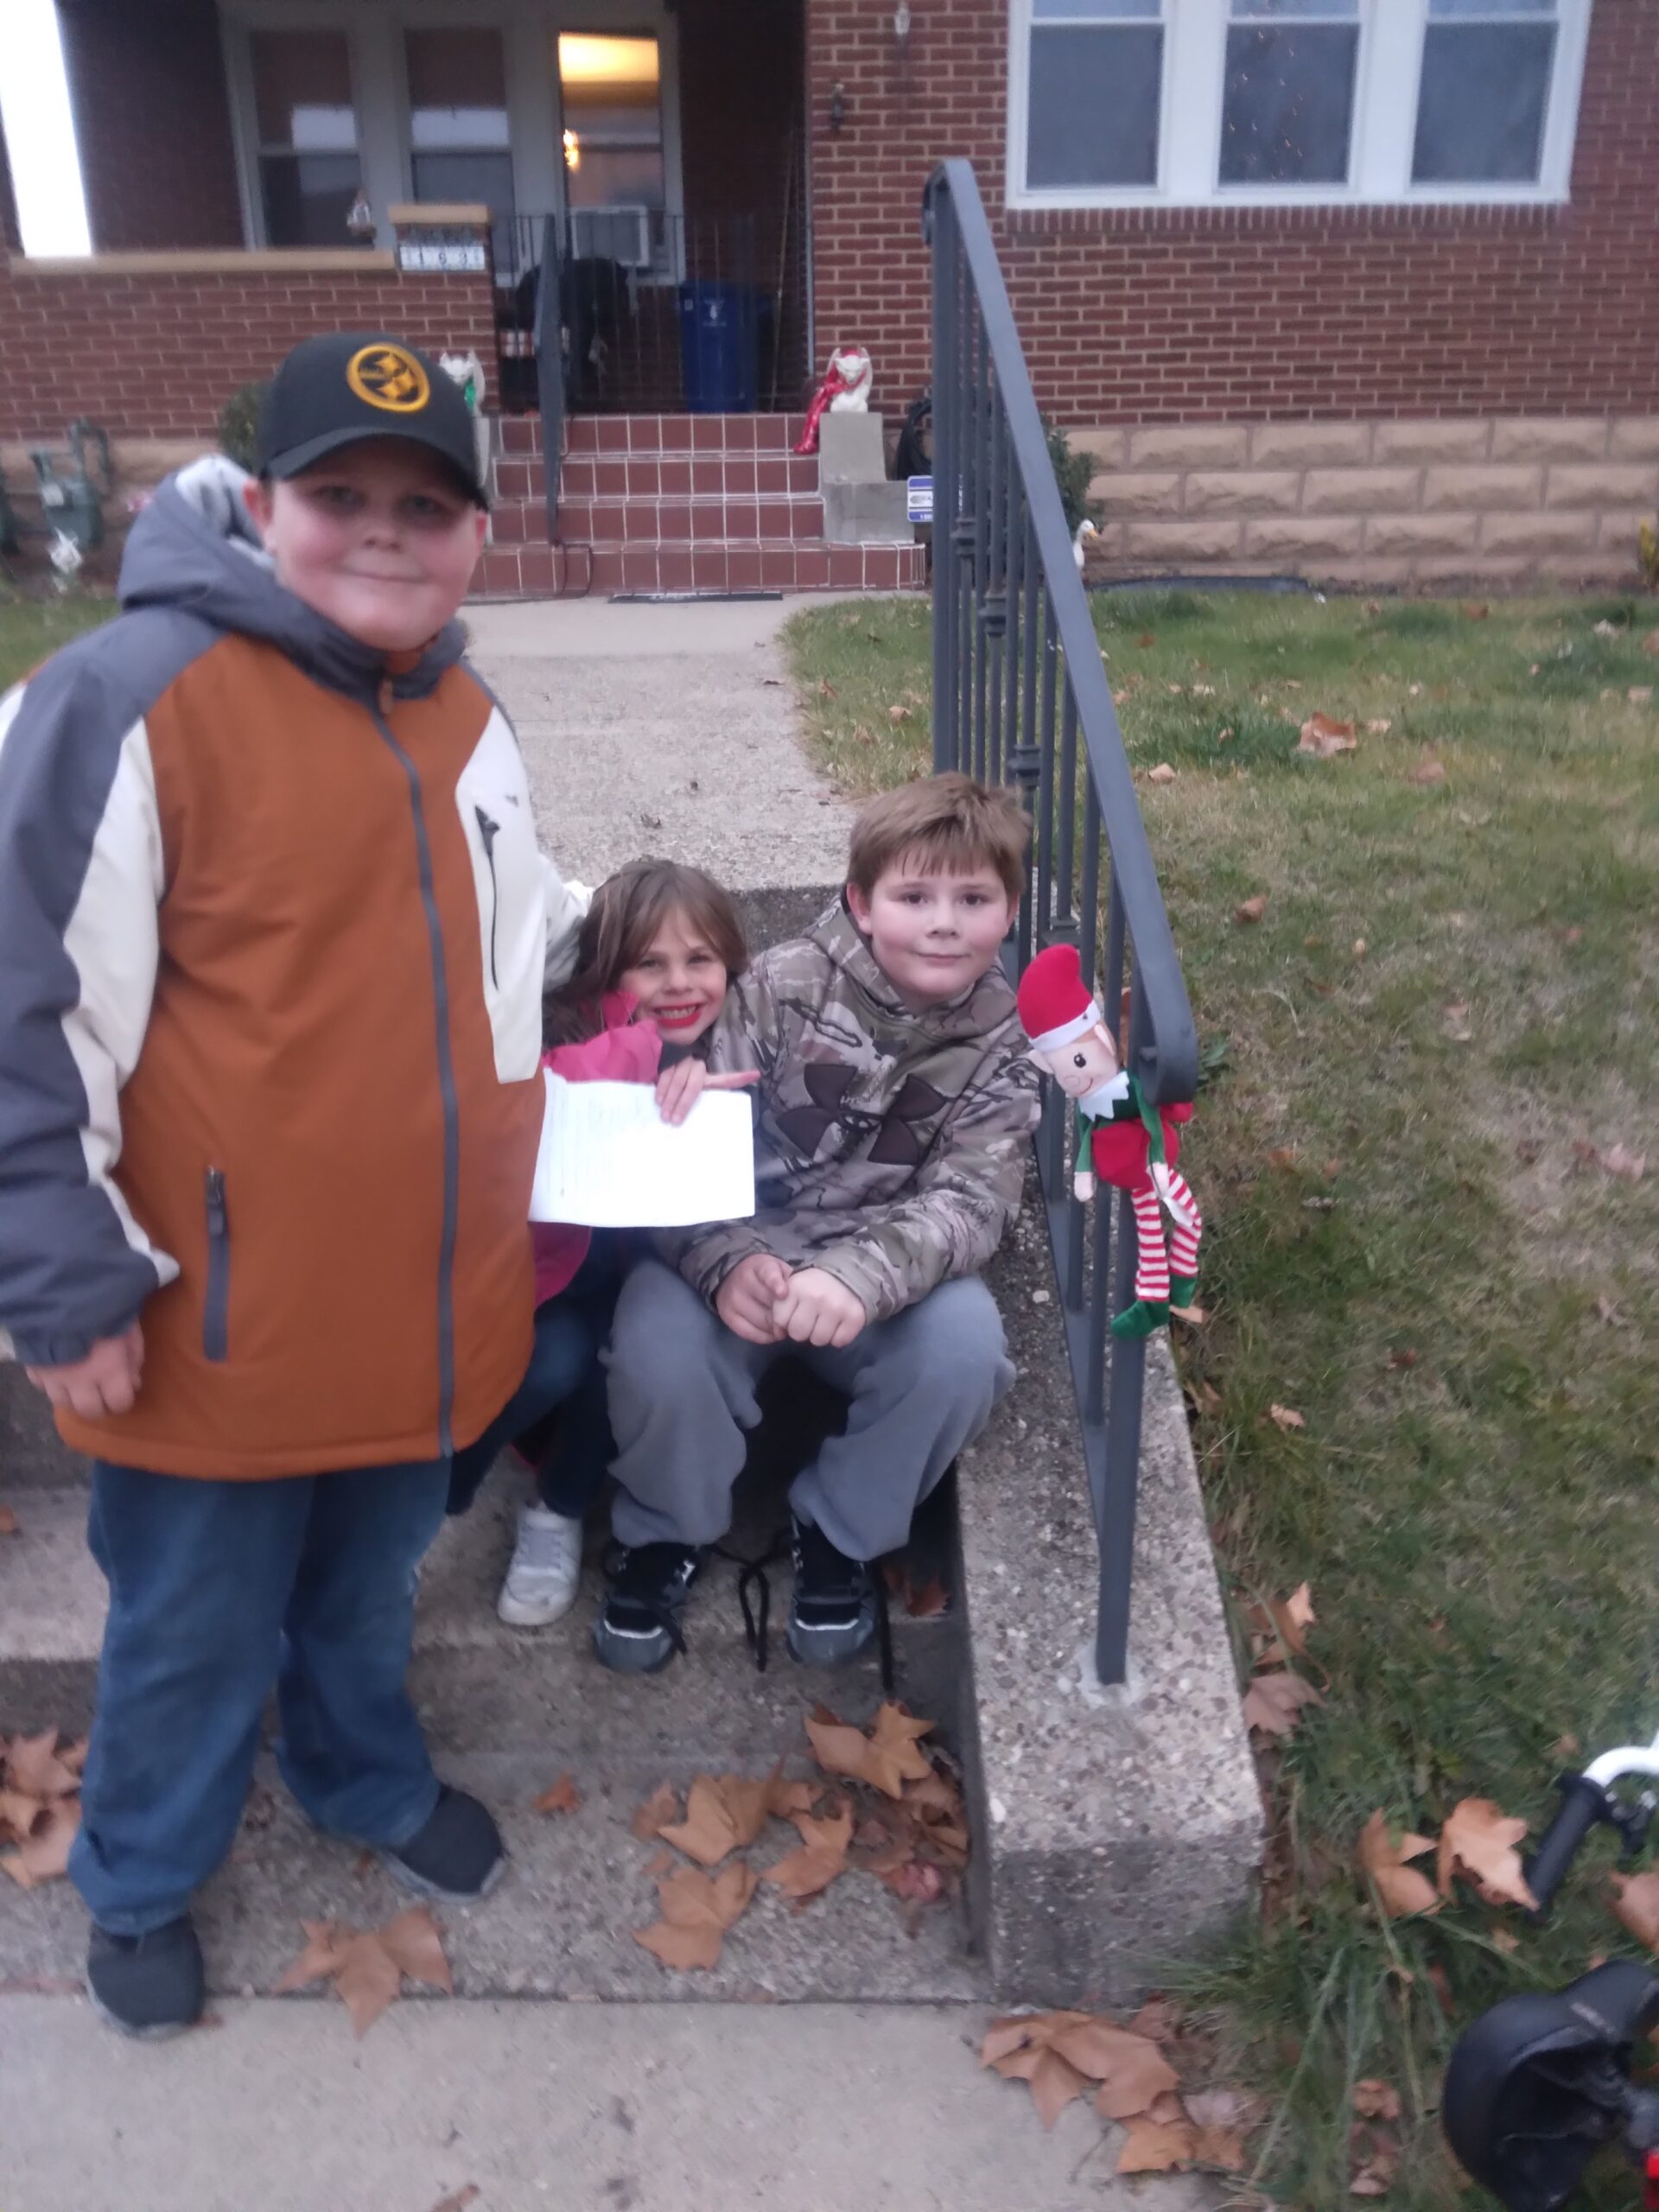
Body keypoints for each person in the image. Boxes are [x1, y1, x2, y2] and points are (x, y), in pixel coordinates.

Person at [0, 333, 589, 2038]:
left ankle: (360, 1774)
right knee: (190, 1623)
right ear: (262, 507)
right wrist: (59, 1279)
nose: (387, 530)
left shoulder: (469, 715)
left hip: (422, 1305)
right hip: (214, 1324)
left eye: (428, 502)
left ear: (477, 533)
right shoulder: (123, 699)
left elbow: (501, 951)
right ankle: (139, 1872)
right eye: (342, 494)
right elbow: (26, 1009)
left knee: (362, 1586)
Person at [592, 772, 1042, 1675]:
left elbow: (973, 1199)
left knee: (963, 1351)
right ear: (862, 904)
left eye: (973, 899)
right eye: (914, 897)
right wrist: (724, 1262)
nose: (944, 923)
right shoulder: (777, 986)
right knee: (653, 1343)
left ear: (1010, 910)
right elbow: (678, 1159)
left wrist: (858, 1278)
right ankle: (667, 1528)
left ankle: (839, 1527)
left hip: (883, 1272)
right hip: (744, 1248)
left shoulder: (1010, 1040)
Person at [446, 861, 749, 1630]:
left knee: (628, 1350)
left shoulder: (744, 1034)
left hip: (659, 1282)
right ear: (609, 973)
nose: (678, 984)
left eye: (700, 959)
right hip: (548, 1280)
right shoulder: (575, 1032)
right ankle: (428, 1501)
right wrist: (642, 1049)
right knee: (551, 1360)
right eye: (651, 964)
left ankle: (559, 1509)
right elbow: (538, 1099)